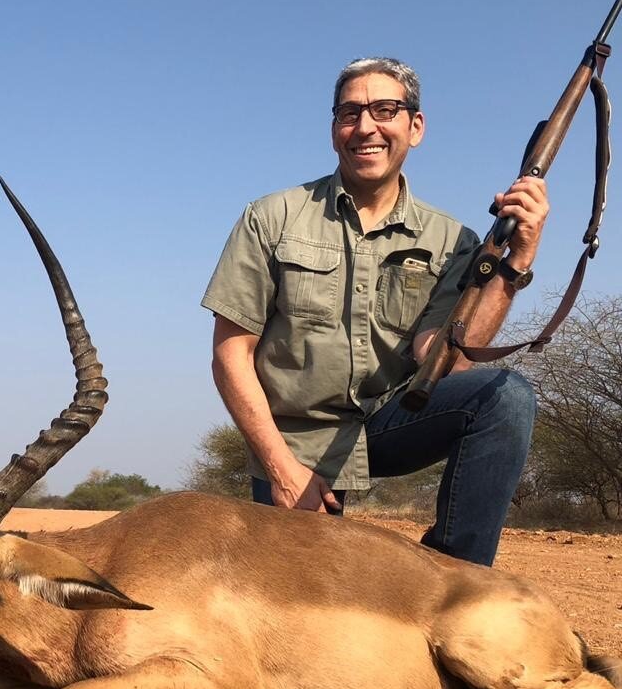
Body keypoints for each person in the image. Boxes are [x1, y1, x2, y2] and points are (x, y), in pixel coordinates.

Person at [201, 57, 548, 566]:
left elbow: (445, 358)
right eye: (349, 113)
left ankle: (460, 578)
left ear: (416, 126)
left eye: (385, 110)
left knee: (506, 397)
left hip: (388, 422)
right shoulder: (270, 216)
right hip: (295, 440)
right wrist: (280, 468)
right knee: (301, 604)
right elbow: (230, 355)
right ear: (333, 129)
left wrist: (515, 262)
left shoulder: (455, 241)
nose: (366, 127)